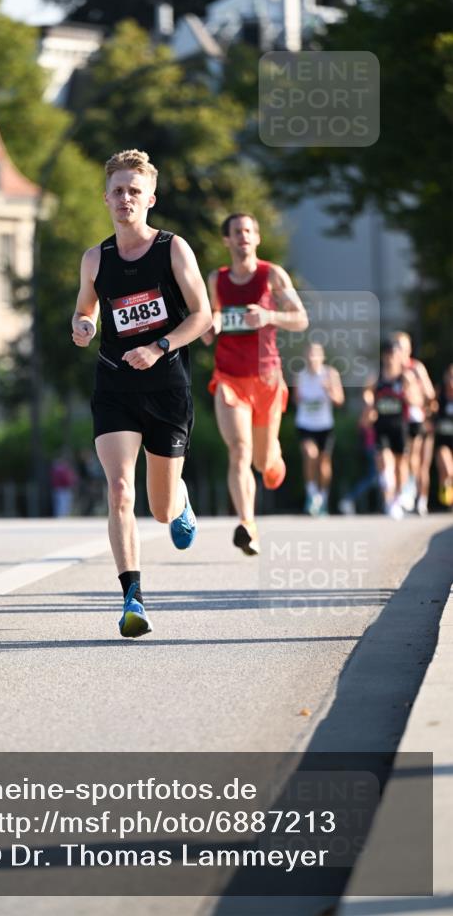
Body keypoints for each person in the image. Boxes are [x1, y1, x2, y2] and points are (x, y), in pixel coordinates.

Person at [71, 149, 211, 638]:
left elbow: (202, 315)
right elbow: (85, 309)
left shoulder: (173, 249)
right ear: (106, 198)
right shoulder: (96, 258)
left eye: (134, 191)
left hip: (166, 387)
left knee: (161, 508)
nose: (125, 198)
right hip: (115, 386)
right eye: (117, 191)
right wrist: (84, 325)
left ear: (150, 198)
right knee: (118, 489)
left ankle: (181, 499)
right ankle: (132, 596)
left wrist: (159, 346)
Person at [202, 213, 308, 554]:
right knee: (239, 451)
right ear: (227, 241)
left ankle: (274, 465)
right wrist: (211, 324)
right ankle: (247, 524)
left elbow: (301, 319)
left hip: (266, 379)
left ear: (257, 238)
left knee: (263, 462)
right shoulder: (216, 278)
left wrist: (268, 316)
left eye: (249, 231)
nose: (243, 236)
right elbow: (211, 317)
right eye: (237, 232)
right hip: (229, 377)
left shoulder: (272, 275)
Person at [363, 340, 419, 519]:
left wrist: (408, 396)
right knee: (385, 462)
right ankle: (389, 500)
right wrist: (369, 402)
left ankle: (397, 498)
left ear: (399, 356)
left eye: (393, 355)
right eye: (387, 355)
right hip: (381, 426)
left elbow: (415, 400)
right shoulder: (377, 376)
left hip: (400, 426)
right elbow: (367, 393)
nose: (390, 359)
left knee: (401, 465)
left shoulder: (405, 377)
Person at [294, 342, 345, 515]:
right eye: (309, 355)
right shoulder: (300, 376)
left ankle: (322, 497)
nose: (312, 358)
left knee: (323, 463)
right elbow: (296, 400)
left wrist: (329, 390)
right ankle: (311, 494)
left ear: (322, 357)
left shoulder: (330, 374)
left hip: (324, 426)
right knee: (310, 454)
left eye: (315, 355)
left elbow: (340, 400)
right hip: (305, 425)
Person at [391, 331, 436, 515]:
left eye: (402, 347)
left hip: (415, 418)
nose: (399, 351)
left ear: (408, 349)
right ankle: (401, 495)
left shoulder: (416, 367)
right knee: (399, 459)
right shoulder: (391, 370)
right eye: (396, 346)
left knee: (414, 457)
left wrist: (416, 399)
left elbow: (430, 394)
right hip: (397, 420)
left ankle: (415, 494)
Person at [433, 363, 453, 509]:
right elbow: (430, 410)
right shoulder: (440, 394)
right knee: (447, 470)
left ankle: (448, 499)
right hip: (443, 441)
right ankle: (446, 502)